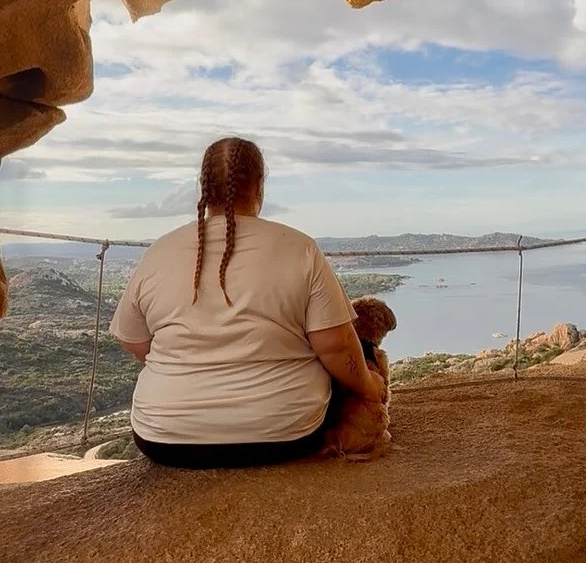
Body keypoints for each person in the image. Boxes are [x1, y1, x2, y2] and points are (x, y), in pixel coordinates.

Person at [109, 136, 385, 469]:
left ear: (204, 188)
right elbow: (336, 346)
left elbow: (135, 342)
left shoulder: (158, 253)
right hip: (285, 435)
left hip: (165, 441)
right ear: (259, 186)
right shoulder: (300, 248)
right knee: (360, 348)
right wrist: (370, 387)